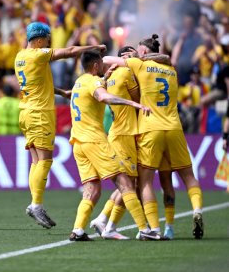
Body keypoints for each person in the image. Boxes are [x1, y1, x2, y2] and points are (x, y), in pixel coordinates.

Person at [103, 34, 204, 239]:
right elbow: (166, 59)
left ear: (145, 52)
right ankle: (195, 212)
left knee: (146, 181)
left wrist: (136, 59)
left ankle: (153, 228)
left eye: (139, 51)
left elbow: (105, 59)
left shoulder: (139, 65)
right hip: (174, 128)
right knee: (188, 177)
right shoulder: (172, 70)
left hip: (150, 128)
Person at [14, 21, 106, 229]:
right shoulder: (38, 54)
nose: (48, 43)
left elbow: (37, 82)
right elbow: (70, 51)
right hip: (40, 113)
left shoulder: (20, 56)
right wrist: (92, 48)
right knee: (44, 161)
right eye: (47, 40)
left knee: (36, 161)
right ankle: (36, 204)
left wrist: (61, 92)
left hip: (26, 111)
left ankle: (35, 203)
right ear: (38, 39)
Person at [68, 49, 160, 241]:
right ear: (95, 66)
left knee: (92, 189)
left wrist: (105, 77)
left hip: (77, 142)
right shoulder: (93, 82)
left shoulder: (79, 81)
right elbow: (103, 97)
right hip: (94, 141)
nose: (104, 67)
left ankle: (77, 230)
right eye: (101, 64)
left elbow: (90, 89)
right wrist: (133, 103)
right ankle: (144, 229)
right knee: (125, 183)